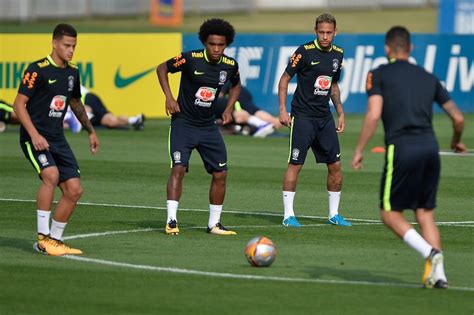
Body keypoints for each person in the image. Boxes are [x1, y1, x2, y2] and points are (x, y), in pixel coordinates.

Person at [351, 26, 467, 288]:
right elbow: (458, 117)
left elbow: (373, 114)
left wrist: (359, 149)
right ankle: (440, 276)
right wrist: (456, 141)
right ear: (411, 48)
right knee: (425, 213)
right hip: (430, 149)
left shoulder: (378, 74)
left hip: (402, 149)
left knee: (390, 214)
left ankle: (430, 253)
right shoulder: (428, 77)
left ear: (387, 49)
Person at [12, 23, 100, 256]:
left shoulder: (72, 72)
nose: (71, 50)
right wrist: (34, 134)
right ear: (54, 43)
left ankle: (55, 241)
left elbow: (75, 103)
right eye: (67, 45)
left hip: (57, 139)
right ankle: (42, 238)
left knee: (74, 190)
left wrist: (90, 130)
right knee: (51, 175)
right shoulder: (37, 69)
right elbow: (18, 105)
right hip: (34, 137)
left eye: (74, 46)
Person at [156, 18, 241, 235]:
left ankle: (214, 224)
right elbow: (161, 69)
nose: (216, 49)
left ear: (226, 44)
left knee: (221, 173)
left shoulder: (230, 66)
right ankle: (172, 221)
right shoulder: (190, 59)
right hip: (183, 123)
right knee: (179, 168)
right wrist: (169, 97)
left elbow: (236, 86)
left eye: (220, 45)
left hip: (208, 127)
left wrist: (229, 108)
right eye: (212, 44)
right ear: (205, 42)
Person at [278, 13, 351, 227]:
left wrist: (340, 111)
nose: (325, 36)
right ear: (315, 32)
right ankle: (288, 215)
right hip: (302, 117)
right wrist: (282, 109)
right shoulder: (304, 52)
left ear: (335, 32)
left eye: (329, 32)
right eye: (321, 32)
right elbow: (284, 79)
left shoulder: (338, 54)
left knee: (335, 165)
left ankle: (334, 214)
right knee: (295, 164)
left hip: (324, 118)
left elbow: (333, 85)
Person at [63, 85, 145, 133]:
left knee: (80, 124)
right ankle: (134, 120)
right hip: (87, 100)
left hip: (85, 100)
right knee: (110, 121)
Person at [214, 84, 280, 137]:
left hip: (238, 93)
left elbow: (219, 98)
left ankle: (268, 123)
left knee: (248, 112)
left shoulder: (218, 79)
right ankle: (264, 124)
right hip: (234, 93)